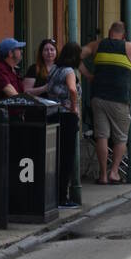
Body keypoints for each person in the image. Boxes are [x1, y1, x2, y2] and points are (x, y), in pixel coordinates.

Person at [82, 22, 131, 185]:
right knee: (121, 137)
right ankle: (114, 173)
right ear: (123, 35)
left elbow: (76, 56)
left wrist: (88, 75)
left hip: (98, 97)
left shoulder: (97, 45)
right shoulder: (129, 47)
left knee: (101, 136)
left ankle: (102, 175)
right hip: (119, 99)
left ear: (109, 32)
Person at [45, 42, 83, 208]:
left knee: (56, 156)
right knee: (67, 158)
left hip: (54, 114)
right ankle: (62, 197)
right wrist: (74, 108)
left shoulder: (54, 69)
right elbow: (72, 90)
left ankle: (53, 195)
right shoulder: (69, 71)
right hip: (67, 116)